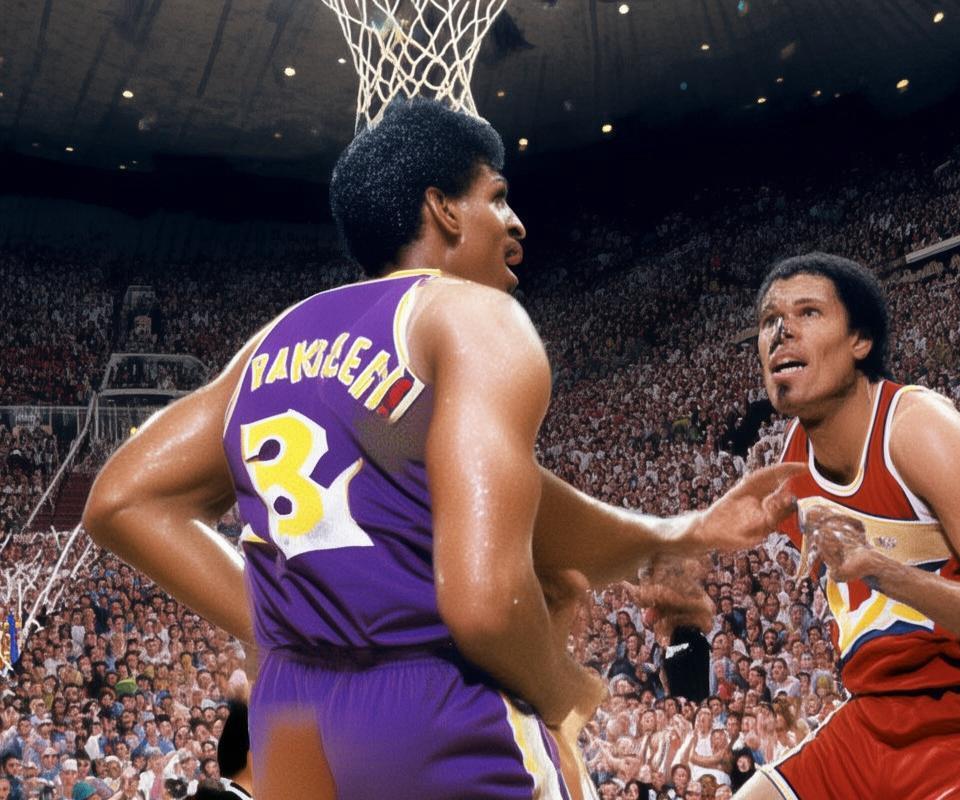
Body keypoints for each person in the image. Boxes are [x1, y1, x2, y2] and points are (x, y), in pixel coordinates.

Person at [83, 98, 801, 800]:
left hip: (291, 722)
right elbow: (485, 606)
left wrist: (682, 531)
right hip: (431, 715)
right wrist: (564, 690)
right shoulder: (473, 315)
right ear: (444, 210)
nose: (515, 222)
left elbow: (120, 501)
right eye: (497, 196)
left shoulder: (275, 340)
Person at [734, 253, 960, 799]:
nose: (781, 331)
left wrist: (885, 571)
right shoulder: (789, 465)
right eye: (769, 321)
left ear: (861, 340)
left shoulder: (919, 430)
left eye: (808, 312)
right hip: (881, 721)